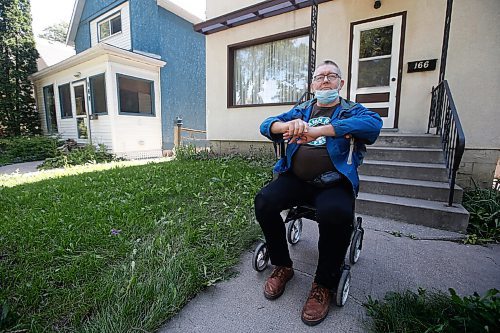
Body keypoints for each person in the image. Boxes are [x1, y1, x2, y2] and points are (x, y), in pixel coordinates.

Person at [254, 60, 382, 326]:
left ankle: (323, 283)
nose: (325, 80)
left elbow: (373, 125)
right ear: (312, 85)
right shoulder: (302, 109)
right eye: (319, 77)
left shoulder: (350, 110)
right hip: (297, 179)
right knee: (264, 201)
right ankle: (283, 265)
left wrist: (318, 131)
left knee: (335, 213)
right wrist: (288, 126)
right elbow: (267, 124)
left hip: (334, 182)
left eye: (331, 76)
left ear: (340, 83)